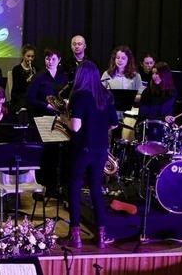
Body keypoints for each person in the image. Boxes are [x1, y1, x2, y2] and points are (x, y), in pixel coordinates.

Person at [62, 61, 118, 249]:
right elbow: (114, 124)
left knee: (75, 187)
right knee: (96, 189)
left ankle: (75, 234)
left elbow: (76, 127)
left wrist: (64, 119)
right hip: (101, 149)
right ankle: (102, 235)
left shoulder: (80, 95)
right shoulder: (107, 95)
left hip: (82, 148)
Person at [27, 48, 69, 117]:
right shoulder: (38, 77)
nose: (50, 62)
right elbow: (31, 98)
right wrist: (46, 106)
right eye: (47, 59)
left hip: (61, 116)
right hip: (42, 114)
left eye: (53, 59)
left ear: (59, 60)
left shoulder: (64, 77)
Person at [10, 44, 36, 110]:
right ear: (23, 56)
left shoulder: (35, 69)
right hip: (19, 98)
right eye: (28, 56)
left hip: (31, 98)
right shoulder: (17, 69)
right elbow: (16, 89)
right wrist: (27, 81)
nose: (30, 59)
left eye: (32, 56)